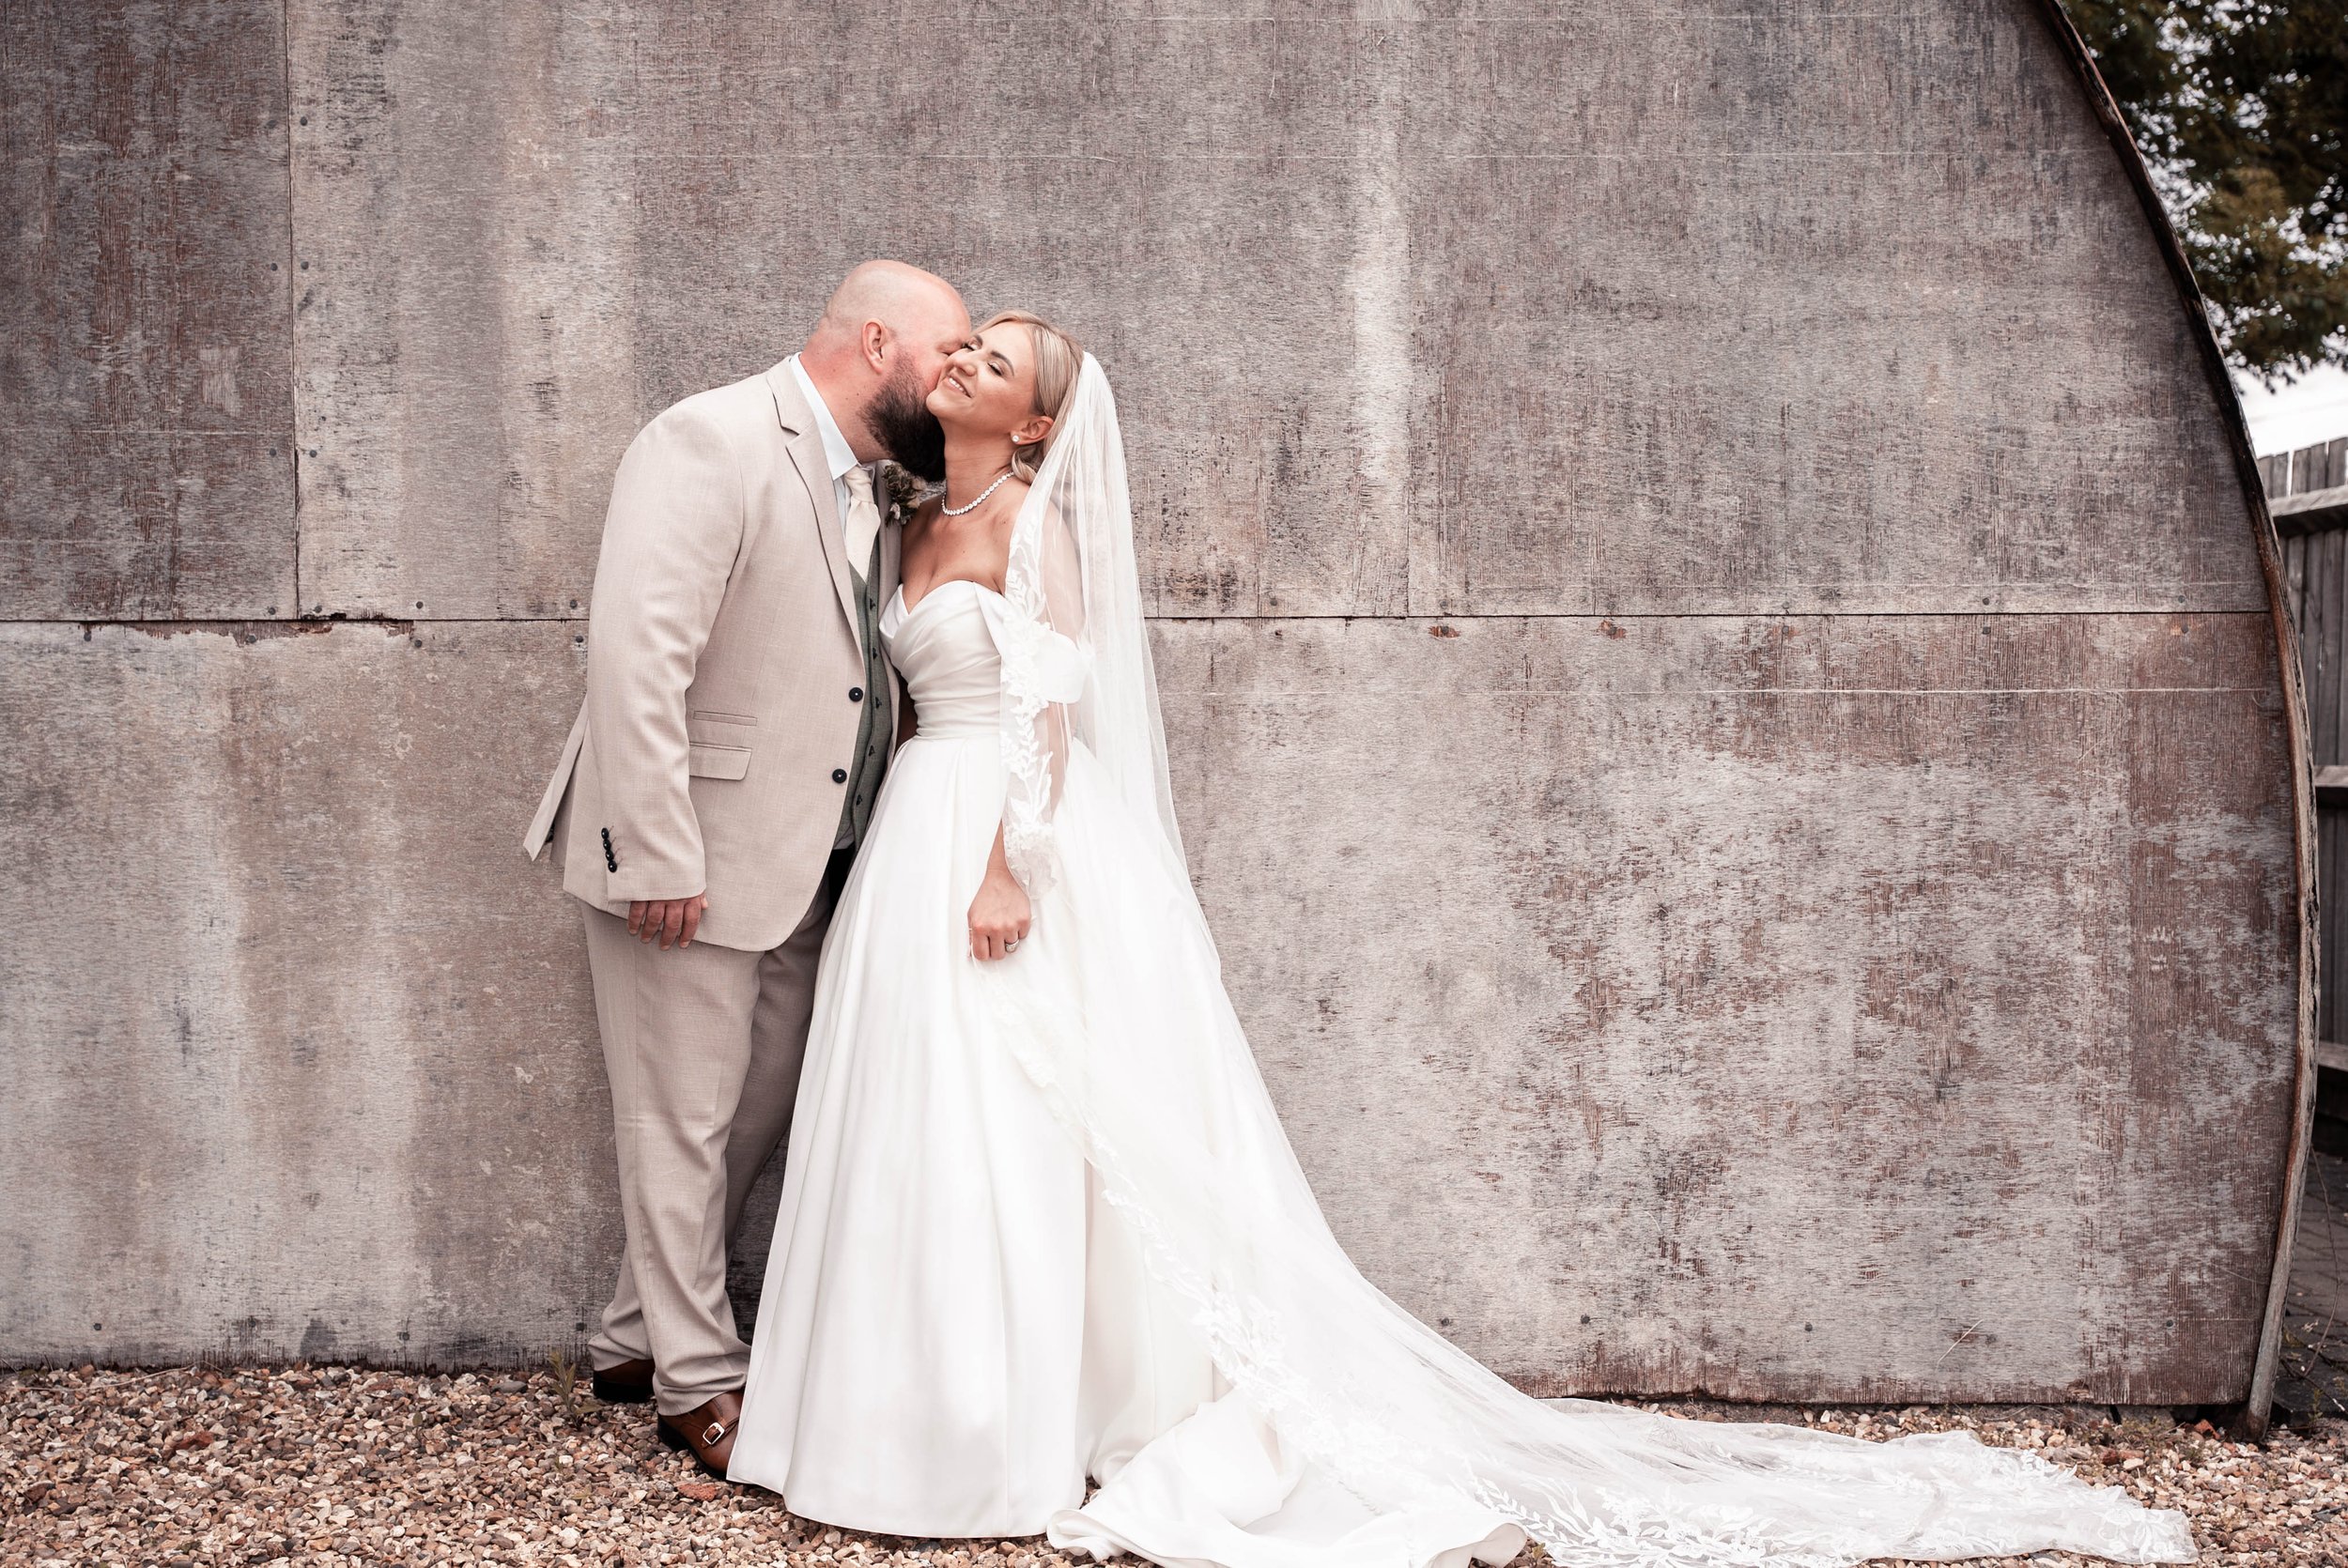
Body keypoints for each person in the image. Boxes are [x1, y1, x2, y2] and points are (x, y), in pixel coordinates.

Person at [723, 311, 2200, 1567]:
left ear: (1040, 426)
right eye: (966, 344)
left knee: (1018, 1128)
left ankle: (1003, 1427)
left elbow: (1045, 712)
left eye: (996, 358)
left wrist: (1007, 866)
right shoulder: (912, 521)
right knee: (917, 1116)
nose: (965, 357)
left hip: (999, 837)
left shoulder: (1037, 532)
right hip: (913, 824)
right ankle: (883, 1414)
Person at [519, 261, 971, 1474]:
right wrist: (654, 849)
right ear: (881, 342)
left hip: (812, 861)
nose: (958, 377)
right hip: (690, 861)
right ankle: (697, 1381)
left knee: (745, 1118)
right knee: (681, 1120)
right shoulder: (708, 438)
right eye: (948, 353)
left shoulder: (873, 484)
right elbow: (637, 654)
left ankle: (628, 1337)